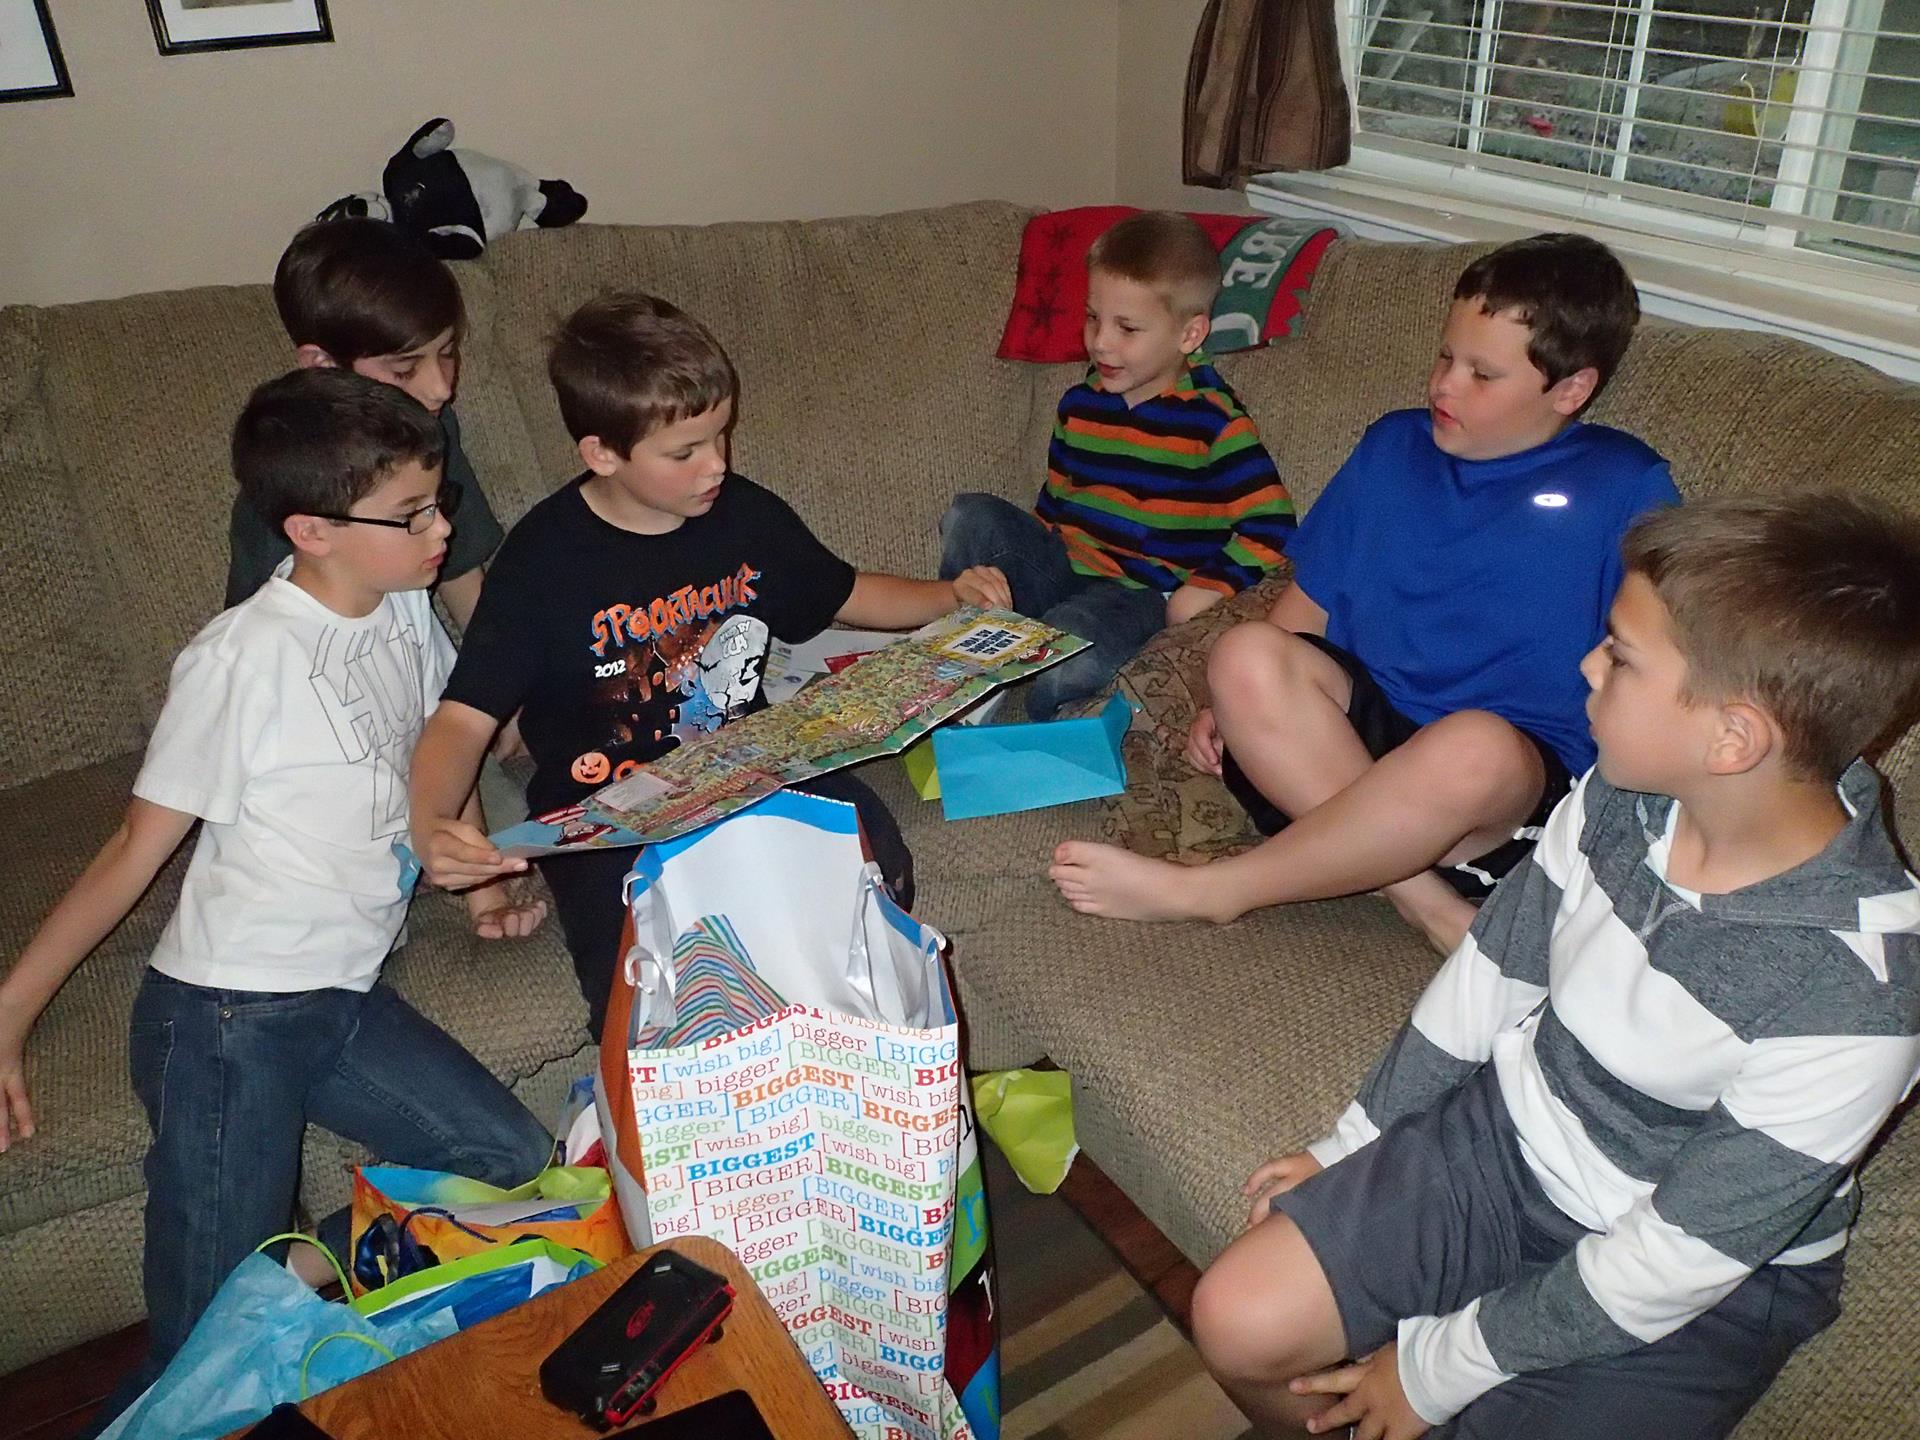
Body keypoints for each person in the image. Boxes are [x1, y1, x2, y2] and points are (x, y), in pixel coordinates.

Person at [1192, 492, 1920, 1440]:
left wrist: (1439, 1367)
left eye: (1620, 655)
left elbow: (1677, 1258)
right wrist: (1356, 1138)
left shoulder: (1859, 992)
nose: (1587, 664)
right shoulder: (1622, 794)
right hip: (1512, 1141)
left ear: (1732, 738)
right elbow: (1496, 967)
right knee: (1236, 1319)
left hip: (1707, 1275)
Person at [0, 369, 554, 1416]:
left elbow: (428, 754)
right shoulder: (240, 660)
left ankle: (289, 1282)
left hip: (341, 995)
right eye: (411, 514)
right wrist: (11, 1012)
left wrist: (462, 861)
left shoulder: (403, 607)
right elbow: (132, 849)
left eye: (438, 500)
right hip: (227, 1013)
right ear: (311, 530)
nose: (443, 529)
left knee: (509, 1160)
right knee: (201, 1352)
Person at [1051, 232, 1678, 953]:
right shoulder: (1391, 447)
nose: (1444, 386)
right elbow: (1307, 605)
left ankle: (1221, 890)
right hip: (1334, 756)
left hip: (1493, 789)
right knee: (1245, 651)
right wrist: (1233, 704)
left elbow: (1665, 657)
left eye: (1483, 374)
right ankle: (1427, 904)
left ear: (1570, 390)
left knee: (1470, 746)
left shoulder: (1622, 484)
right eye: (1446, 357)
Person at [407, 292, 1008, 1032]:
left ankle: (845, 1044)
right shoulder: (542, 564)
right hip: (607, 813)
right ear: (602, 454)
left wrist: (950, 596)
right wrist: (431, 825)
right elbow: (461, 722)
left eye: (721, 436)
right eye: (684, 451)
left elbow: (844, 591)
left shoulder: (744, 516)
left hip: (749, 765)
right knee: (640, 978)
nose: (716, 464)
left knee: (873, 856)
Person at [939, 210, 1294, 721]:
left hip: (1136, 597)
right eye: (1092, 318)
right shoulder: (1080, 404)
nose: (1101, 342)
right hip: (1063, 568)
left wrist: (1209, 586)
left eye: (1127, 328)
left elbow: (1273, 526)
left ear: (1189, 334)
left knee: (1068, 659)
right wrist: (1019, 561)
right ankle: (965, 662)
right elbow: (1053, 504)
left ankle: (1025, 714)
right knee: (969, 515)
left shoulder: (1213, 422)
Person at [226, 217, 506, 633]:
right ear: (323, 365)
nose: (441, 389)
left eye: (447, 352)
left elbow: (459, 568)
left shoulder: (429, 422)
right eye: (405, 370)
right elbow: (266, 638)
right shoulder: (293, 485)